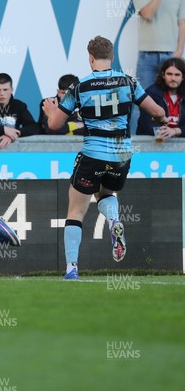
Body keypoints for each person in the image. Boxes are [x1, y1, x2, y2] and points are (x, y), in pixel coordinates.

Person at [42, 35, 168, 280]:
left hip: (93, 153)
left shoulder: (79, 87)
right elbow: (157, 111)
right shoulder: (128, 82)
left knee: (76, 211)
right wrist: (162, 120)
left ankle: (71, 268)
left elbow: (56, 124)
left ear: (90, 58)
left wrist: (50, 111)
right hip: (121, 154)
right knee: (106, 194)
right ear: (111, 57)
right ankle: (113, 221)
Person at [132, 0, 185, 91]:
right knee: (145, 97)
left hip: (171, 54)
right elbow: (148, 14)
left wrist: (179, 50)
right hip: (146, 55)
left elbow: (182, 23)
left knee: (171, 97)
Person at [0, 73, 41, 149]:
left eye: (5, 90)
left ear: (12, 90)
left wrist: (13, 134)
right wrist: (3, 130)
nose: (2, 94)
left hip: (12, 153)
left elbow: (34, 128)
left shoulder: (19, 106)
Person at [137, 57, 185, 139]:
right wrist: (164, 133)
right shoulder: (151, 93)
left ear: (183, 77)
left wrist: (175, 131)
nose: (173, 78)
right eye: (169, 74)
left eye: (177, 75)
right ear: (163, 75)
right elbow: (146, 124)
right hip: (153, 143)